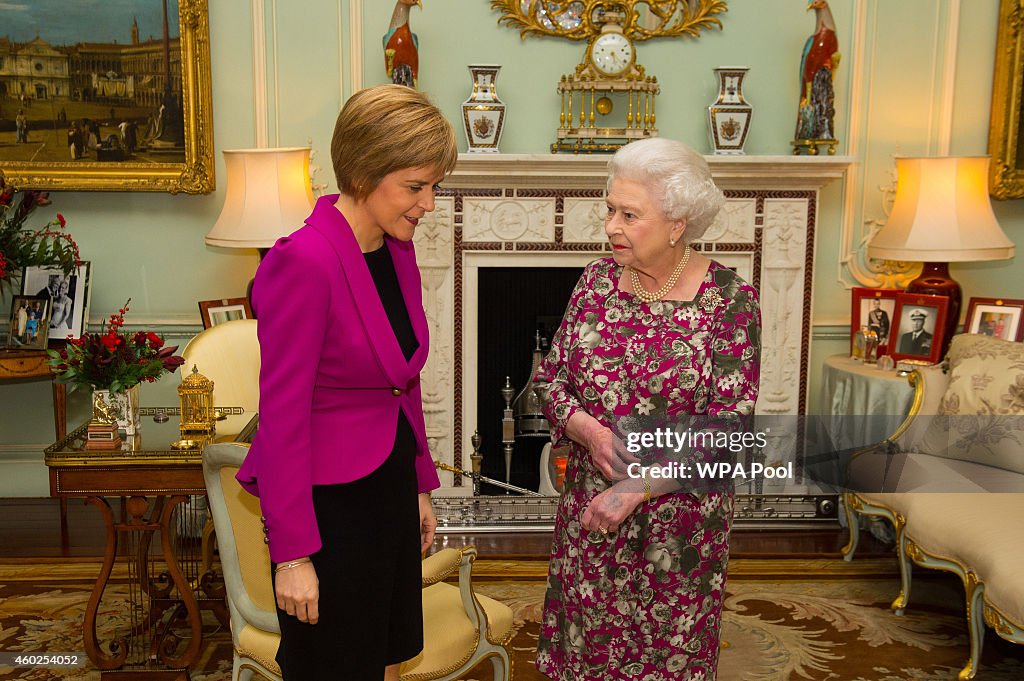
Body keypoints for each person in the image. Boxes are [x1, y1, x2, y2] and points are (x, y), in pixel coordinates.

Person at [235, 84, 457, 681]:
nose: (429, 203)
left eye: (434, 185)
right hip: (327, 509)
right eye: (416, 186)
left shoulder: (394, 248)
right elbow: (282, 421)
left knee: (372, 662)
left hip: (384, 489)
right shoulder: (302, 262)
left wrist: (419, 486)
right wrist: (292, 556)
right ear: (363, 172)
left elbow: (400, 382)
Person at [535, 137, 761, 680]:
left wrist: (639, 488)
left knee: (665, 660)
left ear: (677, 223)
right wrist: (588, 431)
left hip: (679, 527)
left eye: (629, 214)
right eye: (610, 209)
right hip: (592, 513)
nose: (611, 225)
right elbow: (550, 380)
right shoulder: (595, 283)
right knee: (587, 652)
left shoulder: (729, 300)